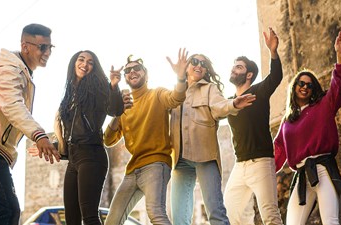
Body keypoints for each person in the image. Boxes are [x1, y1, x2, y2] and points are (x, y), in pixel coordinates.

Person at [0, 24, 60, 225]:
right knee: (8, 211)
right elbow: (12, 105)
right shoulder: (9, 69)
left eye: (51, 47)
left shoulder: (19, 70)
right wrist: (39, 135)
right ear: (26, 46)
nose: (48, 52)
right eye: (43, 47)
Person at [274, 31, 341, 225]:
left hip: (323, 168)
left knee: (330, 221)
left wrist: (340, 58)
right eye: (300, 83)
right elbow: (276, 152)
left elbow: (339, 87)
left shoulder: (324, 105)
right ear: (294, 87)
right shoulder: (287, 121)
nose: (304, 87)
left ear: (314, 89)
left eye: (309, 85)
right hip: (301, 176)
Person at [103, 49, 188, 225]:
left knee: (155, 212)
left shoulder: (156, 94)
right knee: (112, 220)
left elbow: (176, 98)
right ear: (125, 78)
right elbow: (108, 139)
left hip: (156, 163)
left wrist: (180, 78)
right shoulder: (123, 106)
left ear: (146, 74)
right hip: (132, 169)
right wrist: (118, 111)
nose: (132, 71)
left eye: (137, 68)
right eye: (127, 70)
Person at [169, 54, 256, 225]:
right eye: (194, 62)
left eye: (203, 64)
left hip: (205, 156)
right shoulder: (175, 92)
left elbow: (219, 106)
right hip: (179, 159)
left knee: (215, 212)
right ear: (186, 66)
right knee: (179, 219)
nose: (199, 65)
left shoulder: (210, 89)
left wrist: (233, 104)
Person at [223, 27, 284, 225]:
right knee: (227, 215)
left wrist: (272, 52)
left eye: (239, 67)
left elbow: (275, 77)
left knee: (270, 216)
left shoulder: (259, 91)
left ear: (249, 75)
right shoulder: (229, 102)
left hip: (261, 163)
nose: (234, 69)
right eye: (234, 66)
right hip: (240, 166)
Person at [56, 50, 124, 225]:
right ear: (74, 63)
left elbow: (115, 110)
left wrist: (114, 86)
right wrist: (53, 146)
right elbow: (71, 134)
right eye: (81, 60)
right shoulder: (69, 95)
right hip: (74, 159)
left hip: (92, 155)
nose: (84, 64)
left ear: (94, 68)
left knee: (90, 216)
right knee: (71, 219)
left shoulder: (98, 88)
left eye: (90, 62)